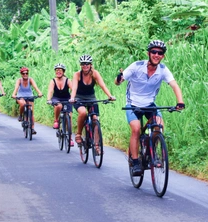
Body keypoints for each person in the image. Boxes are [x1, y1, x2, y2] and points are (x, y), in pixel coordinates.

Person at [114, 40, 185, 176]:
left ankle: (153, 152)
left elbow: (174, 85)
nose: (156, 55)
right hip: (133, 104)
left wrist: (180, 102)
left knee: (159, 126)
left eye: (160, 53)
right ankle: (135, 162)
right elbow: (119, 81)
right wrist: (119, 79)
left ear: (163, 56)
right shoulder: (137, 66)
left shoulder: (163, 70)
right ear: (148, 53)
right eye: (154, 52)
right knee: (136, 129)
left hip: (149, 104)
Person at [69, 54, 116, 145]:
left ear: (91, 64)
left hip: (91, 99)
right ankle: (78, 134)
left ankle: (97, 145)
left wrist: (110, 96)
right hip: (79, 98)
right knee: (83, 112)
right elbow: (74, 88)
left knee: (95, 119)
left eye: (87, 63)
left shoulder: (95, 73)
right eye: (83, 64)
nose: (85, 66)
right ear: (80, 65)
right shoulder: (77, 75)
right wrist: (72, 98)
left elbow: (103, 85)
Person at [47, 63, 74, 146]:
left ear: (63, 71)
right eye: (57, 70)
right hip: (56, 98)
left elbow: (73, 89)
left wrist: (74, 97)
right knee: (59, 105)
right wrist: (48, 99)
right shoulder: (53, 81)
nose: (58, 71)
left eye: (60, 70)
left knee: (69, 116)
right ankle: (56, 120)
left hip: (67, 99)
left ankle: (69, 138)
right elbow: (50, 91)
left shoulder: (68, 80)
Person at [11, 67, 43, 135]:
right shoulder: (19, 80)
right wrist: (14, 94)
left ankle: (32, 128)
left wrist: (39, 93)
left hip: (29, 95)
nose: (25, 75)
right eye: (23, 73)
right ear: (21, 74)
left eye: (26, 73)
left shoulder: (30, 80)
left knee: (31, 111)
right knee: (22, 104)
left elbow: (35, 87)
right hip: (20, 96)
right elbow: (16, 88)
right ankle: (20, 115)